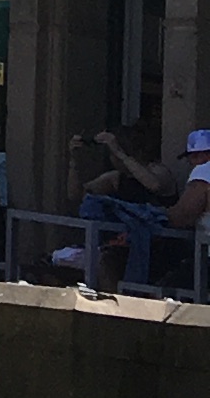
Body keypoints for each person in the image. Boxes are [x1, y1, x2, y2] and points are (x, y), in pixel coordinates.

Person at [85, 123, 210, 291]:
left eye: (194, 158)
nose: (191, 163)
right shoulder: (115, 177)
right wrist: (74, 160)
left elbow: (182, 215)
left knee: (165, 293)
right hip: (177, 250)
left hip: (177, 251)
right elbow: (79, 193)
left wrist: (154, 218)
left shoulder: (203, 170)